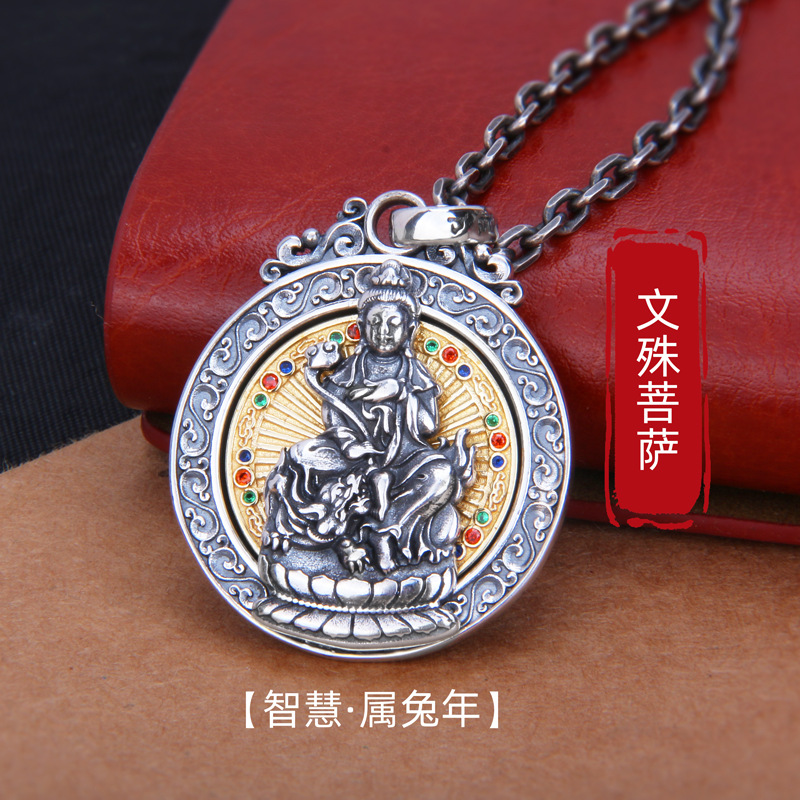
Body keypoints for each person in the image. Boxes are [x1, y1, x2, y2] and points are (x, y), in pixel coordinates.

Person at [263, 259, 474, 575]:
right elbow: (333, 416)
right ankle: (328, 534)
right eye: (375, 323)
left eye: (393, 324)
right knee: (303, 459)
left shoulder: (414, 374)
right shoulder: (349, 371)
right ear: (362, 327)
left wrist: (400, 393)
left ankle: (383, 531)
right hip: (356, 460)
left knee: (442, 475)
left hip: (405, 459)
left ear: (409, 330)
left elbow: (428, 426)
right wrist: (350, 445)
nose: (383, 332)